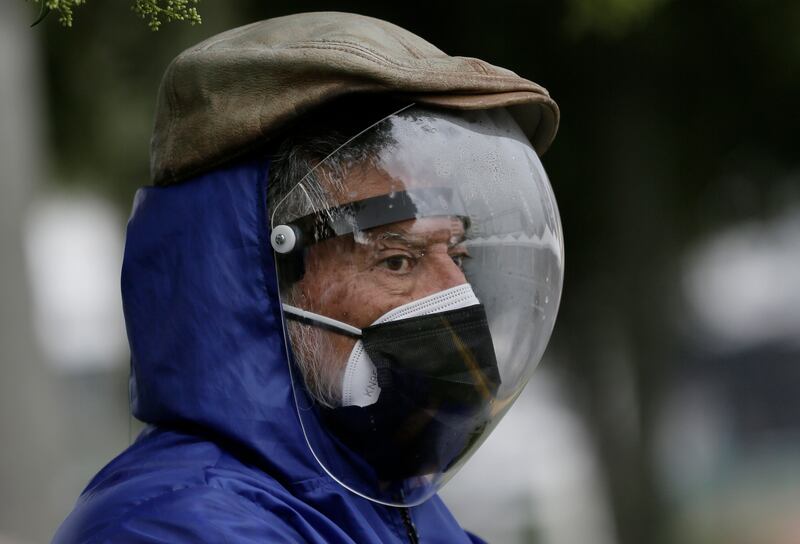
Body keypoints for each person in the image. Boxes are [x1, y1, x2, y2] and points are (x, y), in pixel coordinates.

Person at [53, 12, 563, 543]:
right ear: (256, 281)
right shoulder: (172, 526)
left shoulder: (392, 507)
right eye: (397, 261)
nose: (457, 294)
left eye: (457, 254)